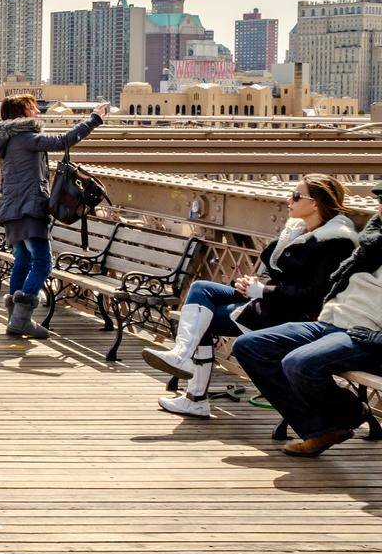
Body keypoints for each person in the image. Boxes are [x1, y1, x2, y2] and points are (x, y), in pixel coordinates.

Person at [144, 175, 356, 419]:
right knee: (202, 289)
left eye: (297, 196)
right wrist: (254, 283)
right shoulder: (296, 231)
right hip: (268, 300)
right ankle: (182, 359)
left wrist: (261, 291)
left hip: (289, 314)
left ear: (316, 203)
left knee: (202, 319)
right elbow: (274, 272)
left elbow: (313, 297)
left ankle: (194, 395)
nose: (290, 200)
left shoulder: (335, 241)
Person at [233, 211, 382, 457]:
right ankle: (319, 428)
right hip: (331, 320)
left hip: (366, 335)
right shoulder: (372, 244)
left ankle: (349, 414)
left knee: (298, 362)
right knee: (249, 346)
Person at [0, 94, 110, 339]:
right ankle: (21, 320)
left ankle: (15, 318)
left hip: (11, 209)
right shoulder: (26, 138)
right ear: (22, 114)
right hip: (29, 208)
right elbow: (65, 140)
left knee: (22, 260)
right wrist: (95, 118)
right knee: (43, 263)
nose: (38, 113)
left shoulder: (9, 141)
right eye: (33, 109)